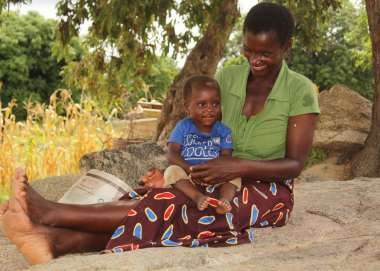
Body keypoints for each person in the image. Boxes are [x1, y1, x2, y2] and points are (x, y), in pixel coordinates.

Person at [0, 2, 319, 265]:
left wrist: (236, 167)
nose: (255, 60)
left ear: (286, 46)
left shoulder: (299, 90)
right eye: (249, 50)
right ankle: (53, 242)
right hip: (216, 174)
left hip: (269, 192)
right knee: (157, 196)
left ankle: (54, 214)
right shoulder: (228, 76)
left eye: (266, 53)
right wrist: (175, 170)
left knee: (173, 204)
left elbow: (294, 164)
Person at [164, 75, 241, 214]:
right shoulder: (183, 127)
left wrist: (214, 172)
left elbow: (226, 157)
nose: (210, 109)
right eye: (202, 104)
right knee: (171, 172)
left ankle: (224, 201)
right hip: (189, 175)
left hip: (215, 176)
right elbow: (172, 153)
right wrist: (189, 169)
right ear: (187, 106)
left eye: (215, 104)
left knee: (235, 176)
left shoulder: (223, 131)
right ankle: (197, 197)